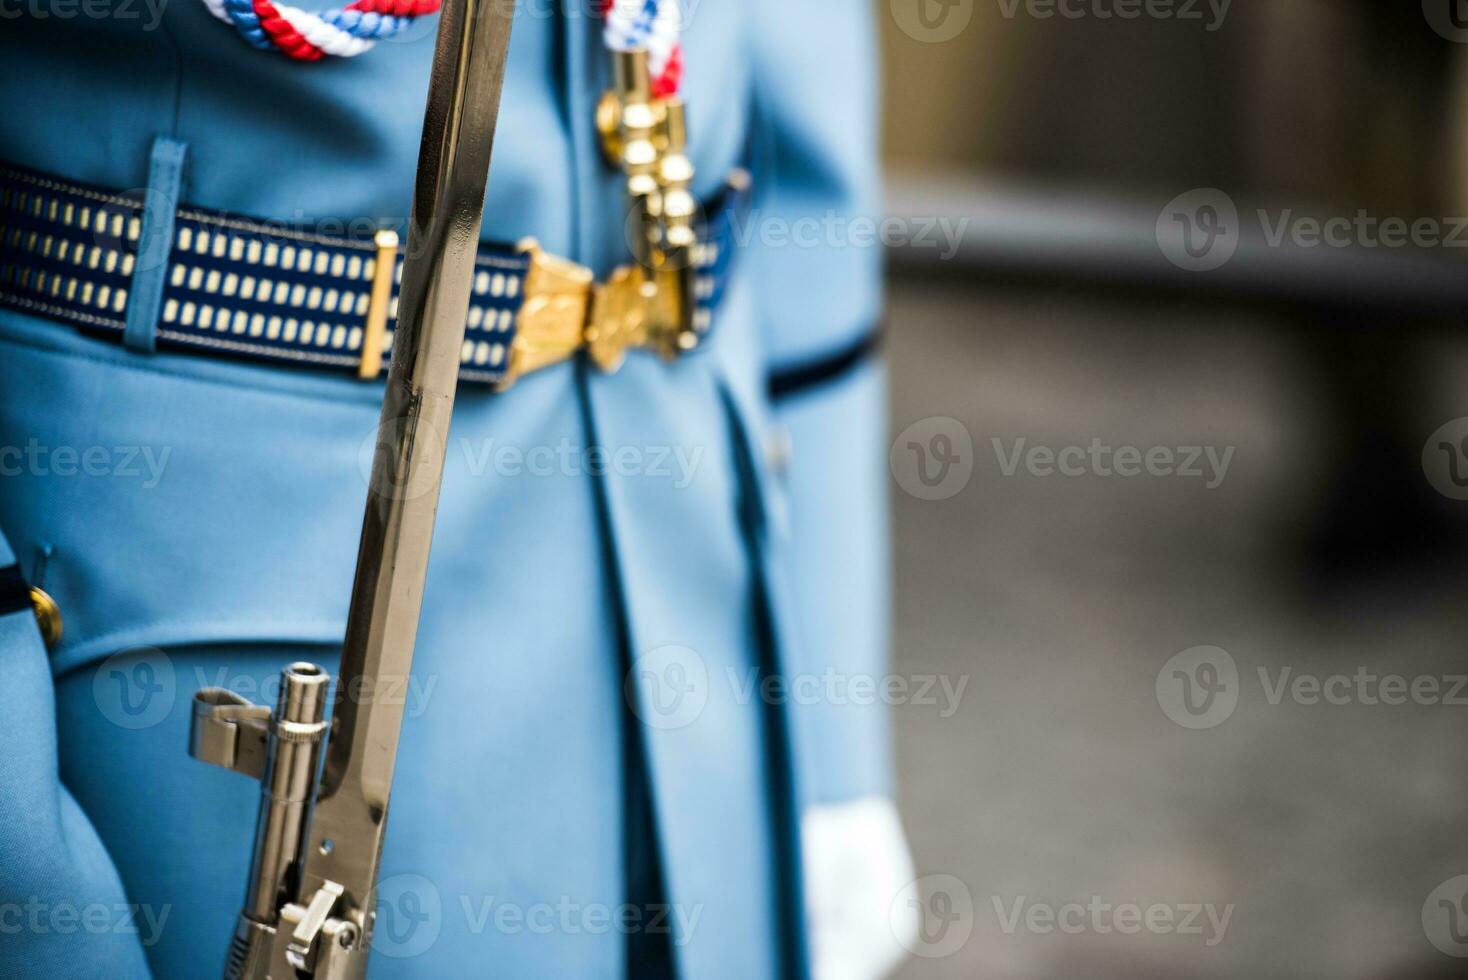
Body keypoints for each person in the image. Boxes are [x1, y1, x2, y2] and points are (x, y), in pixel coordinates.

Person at [0, 0, 913, 976]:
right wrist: (30, 891)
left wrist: (830, 707)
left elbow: (784, 99)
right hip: (195, 682)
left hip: (707, 594)